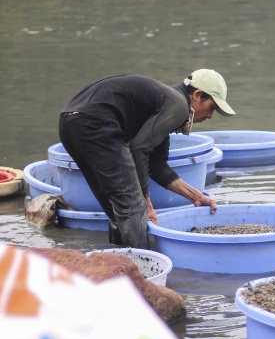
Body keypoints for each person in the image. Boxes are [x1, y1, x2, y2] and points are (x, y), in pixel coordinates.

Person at [58, 69, 235, 249]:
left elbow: (156, 167)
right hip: (96, 123)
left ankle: (120, 264)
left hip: (70, 123)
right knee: (134, 208)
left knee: (117, 208)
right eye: (212, 107)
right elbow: (139, 149)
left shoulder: (165, 102)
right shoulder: (179, 106)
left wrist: (196, 196)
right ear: (197, 95)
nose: (210, 116)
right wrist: (146, 202)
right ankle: (144, 272)